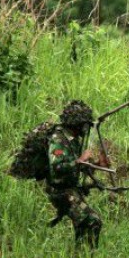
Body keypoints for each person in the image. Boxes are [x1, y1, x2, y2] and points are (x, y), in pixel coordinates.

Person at [45, 100, 103, 248]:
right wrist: (80, 160)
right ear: (76, 123)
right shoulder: (58, 139)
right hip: (60, 191)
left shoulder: (73, 140)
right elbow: (57, 166)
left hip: (70, 189)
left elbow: (78, 167)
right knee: (92, 220)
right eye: (84, 123)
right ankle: (88, 257)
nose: (85, 127)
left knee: (83, 225)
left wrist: (97, 164)